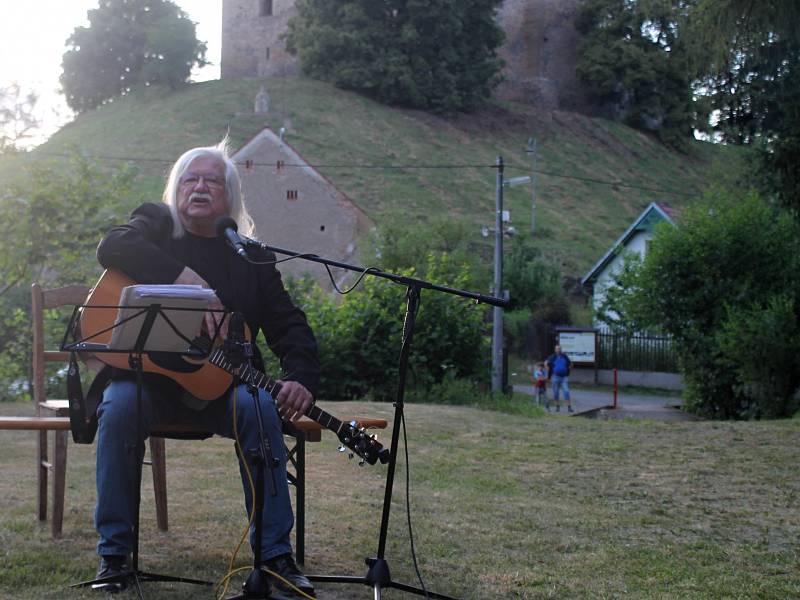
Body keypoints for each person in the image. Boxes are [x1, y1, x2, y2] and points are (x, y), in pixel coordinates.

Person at [91, 139, 319, 598]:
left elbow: (287, 321)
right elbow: (112, 243)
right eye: (191, 178)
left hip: (225, 385)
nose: (200, 186)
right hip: (148, 380)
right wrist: (181, 276)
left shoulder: (250, 256)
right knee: (118, 407)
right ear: (177, 187)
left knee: (258, 407)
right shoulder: (155, 226)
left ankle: (275, 556)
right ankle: (114, 557)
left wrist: (300, 375)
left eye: (212, 180)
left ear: (229, 197)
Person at [546, 345, 573, 413]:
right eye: (557, 349)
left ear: (561, 350)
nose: (558, 350)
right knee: (556, 393)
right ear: (555, 350)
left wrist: (568, 369)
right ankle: (557, 407)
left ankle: (569, 407)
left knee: (566, 391)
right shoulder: (552, 357)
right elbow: (546, 363)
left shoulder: (564, 356)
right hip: (555, 377)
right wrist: (548, 370)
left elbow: (570, 364)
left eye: (559, 349)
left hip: (564, 377)